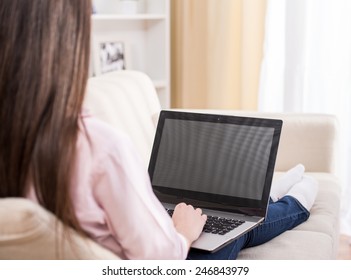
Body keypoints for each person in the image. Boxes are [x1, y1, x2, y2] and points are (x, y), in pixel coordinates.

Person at [0, 1, 318, 260]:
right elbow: (161, 261)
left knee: (221, 222)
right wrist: (182, 231)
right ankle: (294, 204)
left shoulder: (16, 140)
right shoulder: (99, 148)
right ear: (71, 46)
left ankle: (268, 196)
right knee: (230, 232)